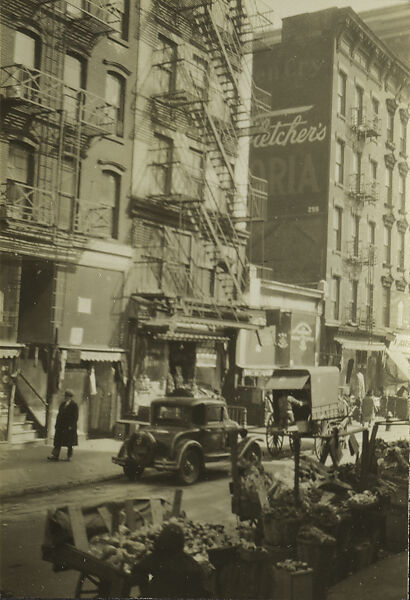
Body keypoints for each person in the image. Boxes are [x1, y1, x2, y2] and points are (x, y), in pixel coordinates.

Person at [130, 522, 208, 599]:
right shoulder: (189, 562)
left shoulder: (156, 557)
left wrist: (142, 590)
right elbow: (200, 587)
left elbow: (137, 572)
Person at [48, 389, 78, 461]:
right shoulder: (62, 404)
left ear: (70, 397)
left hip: (69, 426)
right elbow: (59, 415)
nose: (65, 397)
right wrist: (56, 424)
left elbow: (75, 417)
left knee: (69, 442)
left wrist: (71, 426)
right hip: (61, 426)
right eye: (65, 396)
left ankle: (69, 456)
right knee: (58, 441)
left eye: (67, 396)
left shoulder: (74, 405)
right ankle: (55, 455)